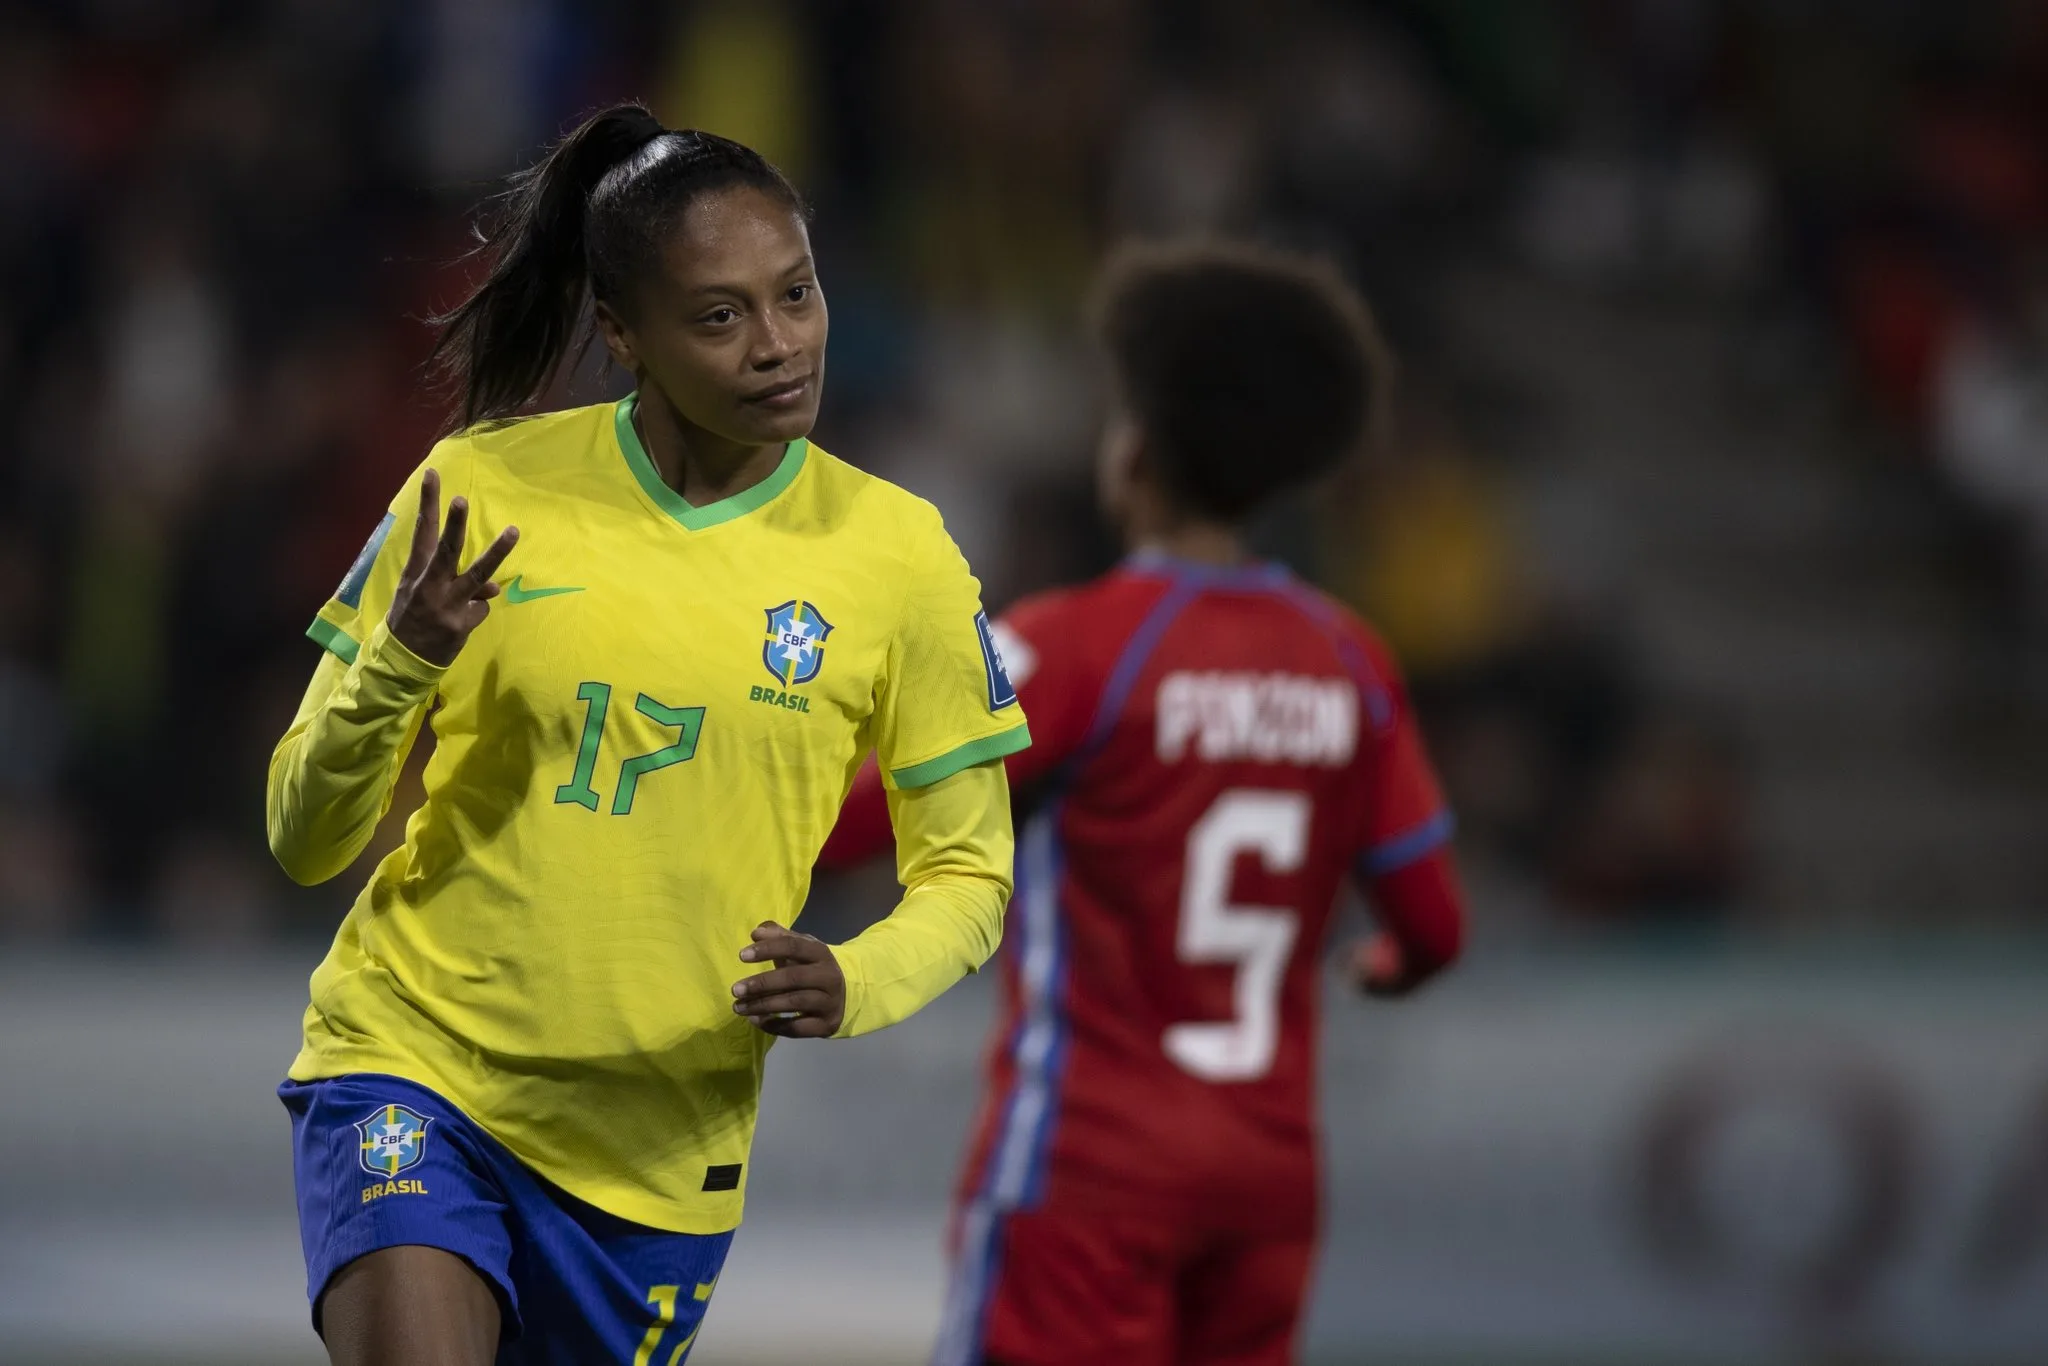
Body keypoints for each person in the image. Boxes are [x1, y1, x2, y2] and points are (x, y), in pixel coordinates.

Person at [266, 103, 1031, 1365]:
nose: (779, 345)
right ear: (621, 334)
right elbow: (303, 836)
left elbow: (968, 876)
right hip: (415, 1065)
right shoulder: (478, 491)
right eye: (721, 315)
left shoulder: (899, 556)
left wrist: (854, 981)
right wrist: (399, 665)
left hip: (655, 1160)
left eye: (796, 293)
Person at [818, 240, 1469, 1366]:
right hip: (1265, 1188)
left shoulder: (1080, 646)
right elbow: (1432, 925)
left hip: (1087, 1174)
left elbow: (853, 826)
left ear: (1135, 455)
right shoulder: (1347, 662)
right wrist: (1381, 969)